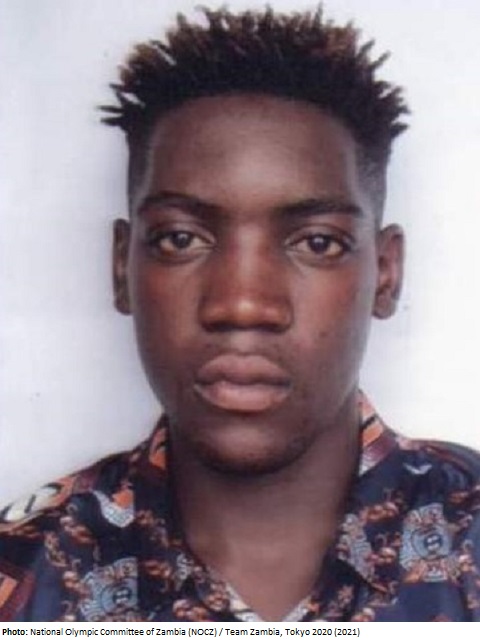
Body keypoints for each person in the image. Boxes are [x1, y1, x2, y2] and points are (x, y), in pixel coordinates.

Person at [0, 5, 479, 623]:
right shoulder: (22, 574)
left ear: (385, 275)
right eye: (180, 238)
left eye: (317, 243)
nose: (243, 304)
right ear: (122, 267)